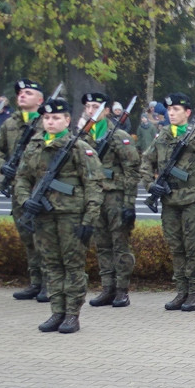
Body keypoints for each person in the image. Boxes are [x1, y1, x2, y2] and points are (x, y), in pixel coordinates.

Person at [14, 97, 103, 334]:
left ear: (67, 120)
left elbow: (94, 185)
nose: (50, 122)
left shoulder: (80, 148)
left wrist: (89, 220)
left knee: (72, 266)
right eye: (46, 118)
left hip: (71, 217)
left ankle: (72, 314)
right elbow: (22, 178)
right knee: (51, 265)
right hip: (42, 215)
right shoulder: (34, 146)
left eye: (55, 118)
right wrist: (27, 201)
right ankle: (57, 311)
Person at [140, 92, 195, 312]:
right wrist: (150, 186)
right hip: (169, 201)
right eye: (169, 110)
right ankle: (181, 291)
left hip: (193, 201)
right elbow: (146, 162)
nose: (171, 113)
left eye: (176, 110)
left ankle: (194, 294)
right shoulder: (162, 136)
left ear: (187, 113)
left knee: (192, 248)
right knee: (176, 248)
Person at [81, 92, 140, 309]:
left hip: (115, 197)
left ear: (106, 110)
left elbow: (132, 169)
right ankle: (107, 288)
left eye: (95, 106)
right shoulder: (83, 137)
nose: (91, 110)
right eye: (88, 106)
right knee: (102, 245)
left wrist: (129, 203)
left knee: (120, 244)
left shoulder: (118, 136)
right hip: (94, 198)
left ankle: (122, 290)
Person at [0, 79, 48, 301]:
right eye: (19, 93)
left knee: (43, 237)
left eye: (28, 93)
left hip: (40, 189)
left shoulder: (47, 122)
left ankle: (49, 283)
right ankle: (35, 282)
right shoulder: (9, 124)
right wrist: (3, 169)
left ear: (40, 100)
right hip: (19, 189)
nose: (22, 96)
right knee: (27, 236)